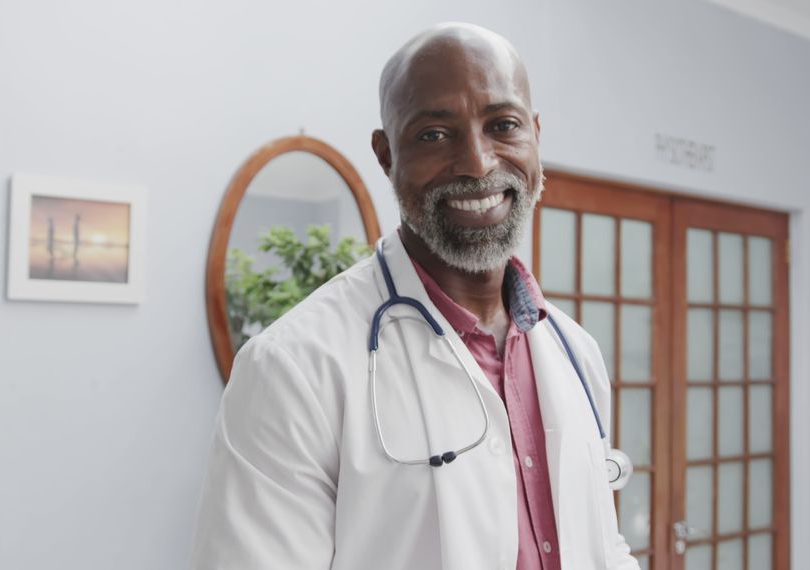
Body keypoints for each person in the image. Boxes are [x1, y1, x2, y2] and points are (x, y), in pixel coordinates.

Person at [190, 23, 640, 570]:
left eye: (503, 125)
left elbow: (601, 542)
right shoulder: (291, 369)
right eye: (434, 134)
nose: (477, 163)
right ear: (385, 154)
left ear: (536, 136)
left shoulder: (577, 353)